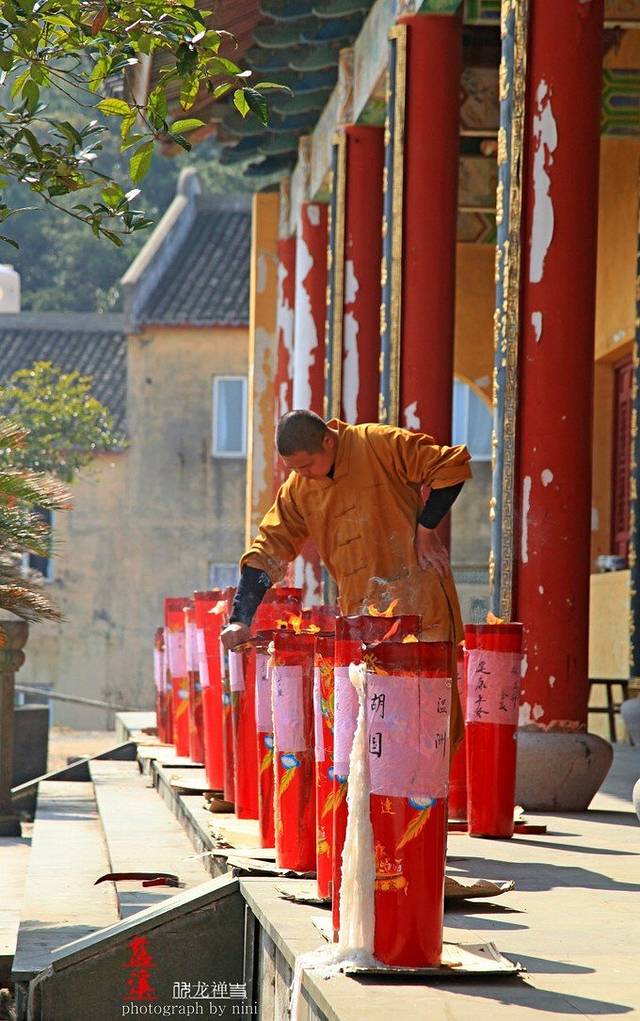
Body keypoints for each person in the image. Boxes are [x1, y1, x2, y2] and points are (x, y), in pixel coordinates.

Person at [221, 410, 472, 746]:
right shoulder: (299, 488)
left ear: (328, 440)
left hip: (419, 605)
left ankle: (440, 800)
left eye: (306, 465)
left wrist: (426, 528)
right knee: (372, 732)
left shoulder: (379, 443)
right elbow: (269, 548)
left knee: (429, 723)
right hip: (361, 618)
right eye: (294, 469)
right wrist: (241, 617)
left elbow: (449, 466)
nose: (302, 475)